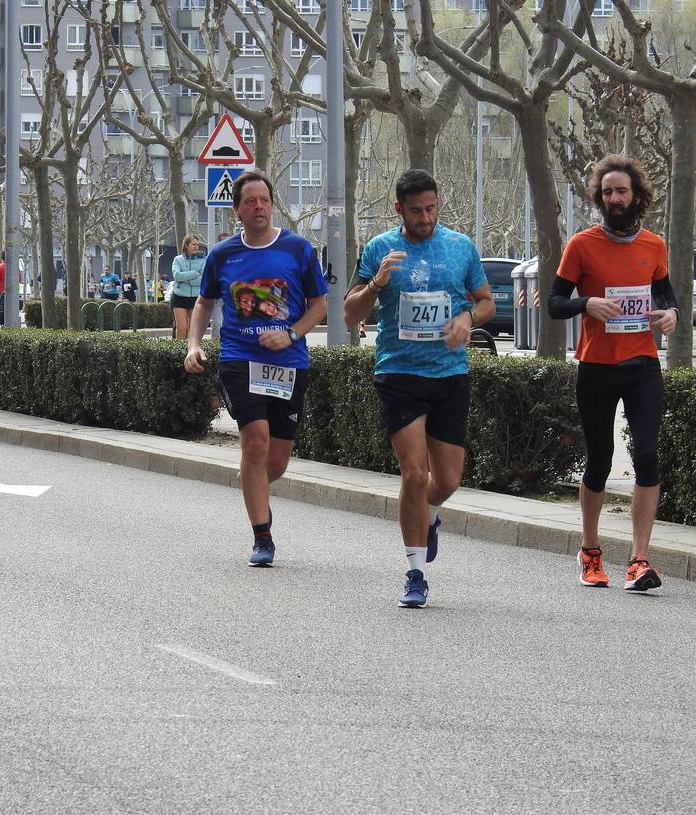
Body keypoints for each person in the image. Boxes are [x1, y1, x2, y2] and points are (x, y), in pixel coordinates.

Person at [344, 169, 495, 609]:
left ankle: (425, 515)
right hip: (399, 374)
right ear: (399, 210)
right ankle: (415, 573)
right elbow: (350, 314)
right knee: (413, 473)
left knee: (445, 480)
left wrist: (468, 319)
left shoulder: (459, 247)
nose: (425, 217)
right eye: (415, 211)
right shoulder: (380, 250)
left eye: (430, 208)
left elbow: (486, 301)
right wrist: (376, 284)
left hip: (449, 374)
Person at [184, 171, 329, 567]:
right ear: (237, 210)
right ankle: (262, 536)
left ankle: (255, 492)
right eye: (250, 201)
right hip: (239, 359)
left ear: (272, 204)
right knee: (256, 442)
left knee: (276, 461)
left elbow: (319, 306)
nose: (259, 207)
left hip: (289, 363)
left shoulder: (298, 249)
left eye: (264, 199)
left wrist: (292, 334)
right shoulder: (223, 255)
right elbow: (204, 303)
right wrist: (194, 344)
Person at [549, 154, 678, 593]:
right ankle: (590, 552)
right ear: (599, 198)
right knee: (600, 460)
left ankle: (640, 560)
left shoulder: (654, 246)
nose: (614, 198)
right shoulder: (582, 245)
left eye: (621, 191)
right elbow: (554, 302)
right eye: (607, 192)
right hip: (597, 366)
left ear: (637, 195)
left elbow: (665, 293)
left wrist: (672, 315)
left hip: (642, 365)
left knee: (646, 454)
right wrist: (587, 304)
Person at [171, 235, 205, 339]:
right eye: (193, 244)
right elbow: (177, 276)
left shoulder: (203, 260)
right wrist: (195, 273)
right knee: (181, 328)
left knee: (193, 329)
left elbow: (203, 279)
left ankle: (191, 352)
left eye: (198, 245)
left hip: (196, 297)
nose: (196, 247)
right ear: (186, 245)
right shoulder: (177, 259)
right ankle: (178, 353)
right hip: (179, 296)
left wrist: (184, 279)